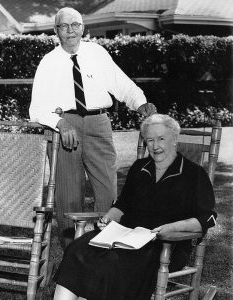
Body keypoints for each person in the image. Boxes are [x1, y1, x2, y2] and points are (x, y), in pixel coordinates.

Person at [53, 114, 217, 300]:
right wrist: (109, 217)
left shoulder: (193, 173)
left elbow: (206, 218)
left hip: (166, 244)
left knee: (114, 262)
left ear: (174, 139)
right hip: (126, 236)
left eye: (161, 139)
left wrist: (171, 228)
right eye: (150, 140)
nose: (155, 146)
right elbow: (122, 205)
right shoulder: (140, 167)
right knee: (78, 248)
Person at [29, 7, 156, 246]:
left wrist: (141, 103)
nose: (71, 30)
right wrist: (60, 123)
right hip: (64, 128)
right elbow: (36, 109)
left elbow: (122, 84)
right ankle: (72, 256)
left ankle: (105, 249)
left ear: (83, 27)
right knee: (68, 197)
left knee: (108, 192)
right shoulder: (48, 62)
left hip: (98, 124)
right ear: (56, 31)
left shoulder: (97, 53)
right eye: (64, 26)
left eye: (75, 24)